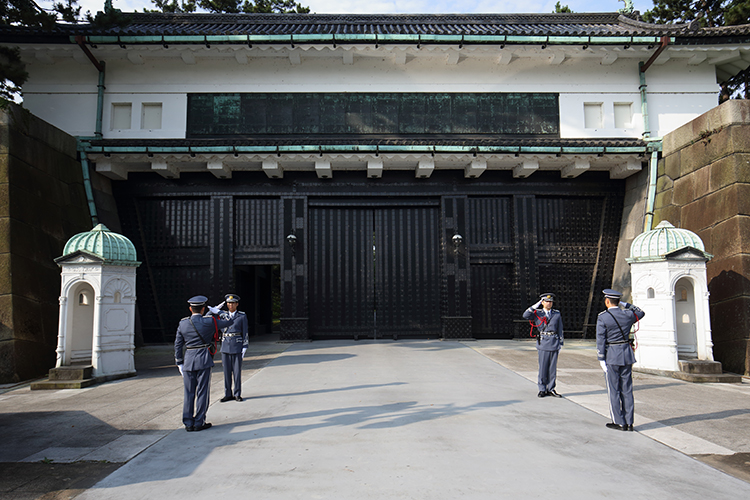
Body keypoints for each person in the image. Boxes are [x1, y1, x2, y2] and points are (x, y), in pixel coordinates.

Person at [175, 295, 231, 432]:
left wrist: (179, 362)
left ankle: (188, 423)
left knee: (188, 393)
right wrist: (220, 312)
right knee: (202, 392)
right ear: (203, 309)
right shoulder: (209, 321)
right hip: (203, 360)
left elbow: (178, 344)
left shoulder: (183, 323)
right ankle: (199, 421)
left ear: (190, 308)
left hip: (188, 360)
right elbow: (230, 321)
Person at [596, 289, 645, 431]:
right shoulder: (628, 314)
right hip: (626, 353)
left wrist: (601, 358)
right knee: (627, 389)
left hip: (612, 354)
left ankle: (619, 421)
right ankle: (629, 422)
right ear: (618, 301)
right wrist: (625, 304)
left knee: (614, 390)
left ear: (606, 301)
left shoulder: (603, 317)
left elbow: (601, 339)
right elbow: (640, 312)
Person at [523, 293, 564, 398]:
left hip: (554, 341)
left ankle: (551, 388)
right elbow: (525, 315)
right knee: (543, 367)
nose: (549, 303)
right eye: (546, 301)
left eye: (550, 302)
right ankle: (542, 388)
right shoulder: (538, 313)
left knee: (552, 368)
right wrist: (535, 306)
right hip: (544, 341)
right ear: (542, 302)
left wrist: (561, 342)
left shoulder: (556, 313)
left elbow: (560, 328)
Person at [216, 293, 249, 402]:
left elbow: (245, 331)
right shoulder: (222, 315)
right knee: (226, 372)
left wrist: (245, 345)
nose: (230, 305)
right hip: (225, 344)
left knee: (236, 372)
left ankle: (237, 393)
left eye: (233, 303)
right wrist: (215, 310)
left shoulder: (241, 316)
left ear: (237, 304)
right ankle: (227, 393)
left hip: (236, 344)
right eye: (229, 303)